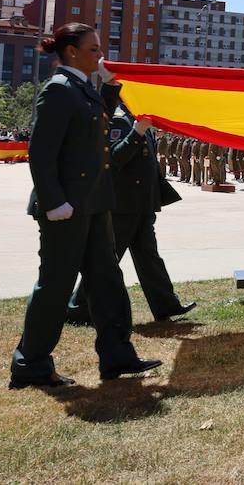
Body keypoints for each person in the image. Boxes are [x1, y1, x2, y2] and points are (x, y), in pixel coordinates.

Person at [9, 23, 161, 389]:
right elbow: (41, 154)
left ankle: (117, 356)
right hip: (66, 207)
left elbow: (95, 123)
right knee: (56, 286)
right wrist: (53, 201)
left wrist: (110, 88)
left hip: (92, 203)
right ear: (72, 52)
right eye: (93, 49)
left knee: (106, 280)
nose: (100, 54)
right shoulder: (59, 91)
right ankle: (31, 365)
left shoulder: (81, 89)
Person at [66, 99, 195, 326]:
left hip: (141, 204)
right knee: (106, 259)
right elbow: (115, 157)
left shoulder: (139, 120)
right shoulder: (119, 120)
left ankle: (166, 305)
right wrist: (137, 132)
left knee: (149, 258)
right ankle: (78, 308)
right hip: (123, 206)